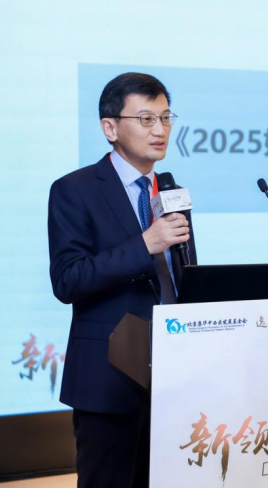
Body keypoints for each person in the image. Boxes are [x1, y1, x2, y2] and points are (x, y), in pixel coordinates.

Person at [48, 72, 196, 488]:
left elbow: (178, 279)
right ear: (110, 128)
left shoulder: (171, 191)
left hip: (173, 376)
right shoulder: (75, 189)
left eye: (165, 118)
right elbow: (68, 279)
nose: (160, 130)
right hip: (109, 377)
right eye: (146, 119)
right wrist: (145, 244)